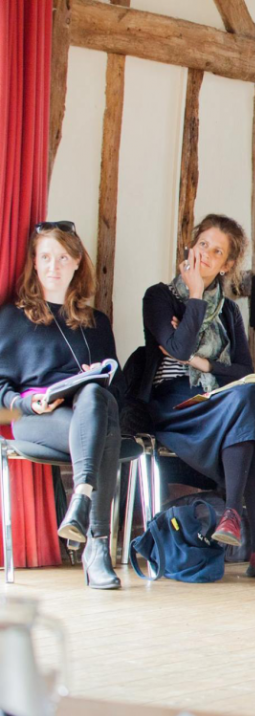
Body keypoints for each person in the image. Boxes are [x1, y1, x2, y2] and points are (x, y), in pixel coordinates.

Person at [140, 214, 255, 581]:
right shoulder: (159, 297)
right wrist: (195, 296)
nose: (206, 255)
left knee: (246, 400)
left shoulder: (228, 311)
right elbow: (175, 348)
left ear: (227, 264)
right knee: (248, 408)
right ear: (191, 247)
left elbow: (243, 368)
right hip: (175, 405)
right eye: (202, 245)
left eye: (217, 251)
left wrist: (199, 360)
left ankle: (234, 520)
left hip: (219, 404)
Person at [0, 222, 122, 589]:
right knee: (106, 430)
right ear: (34, 264)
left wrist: (94, 375)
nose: (54, 266)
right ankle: (96, 545)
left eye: (63, 258)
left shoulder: (96, 323)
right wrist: (27, 401)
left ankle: (81, 497)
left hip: (88, 415)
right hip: (34, 420)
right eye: (46, 257)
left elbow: (116, 381)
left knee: (97, 396)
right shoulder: (11, 318)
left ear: (76, 265)